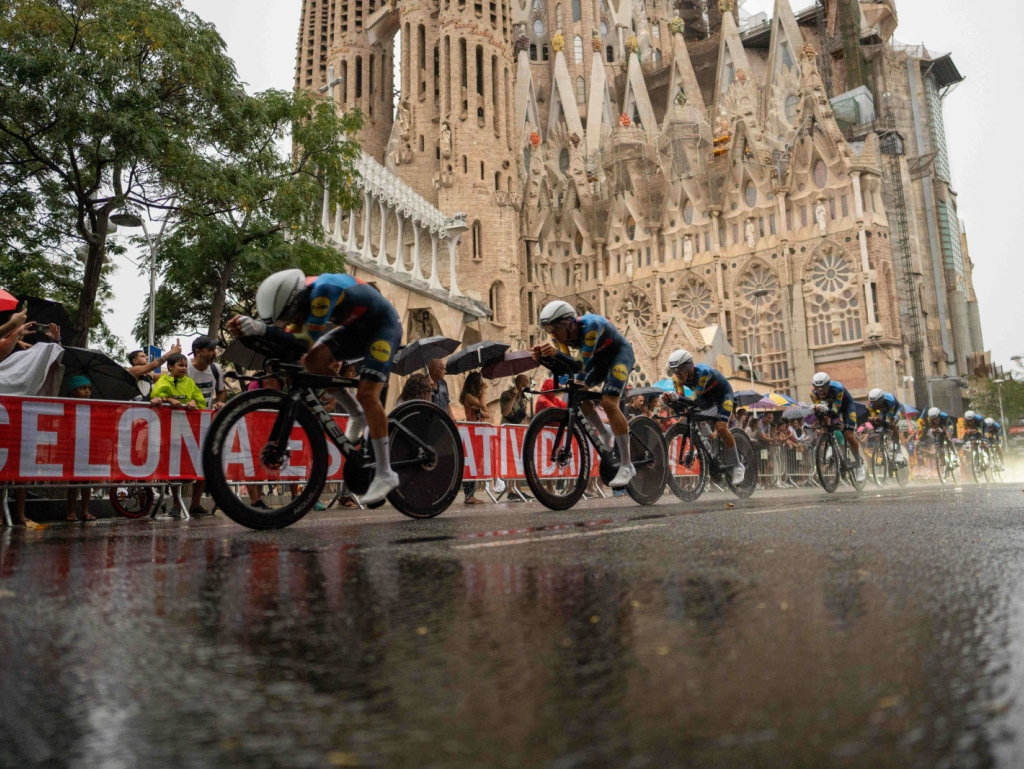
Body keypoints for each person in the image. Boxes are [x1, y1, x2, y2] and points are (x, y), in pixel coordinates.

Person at [228, 270, 403, 505]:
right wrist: (249, 332)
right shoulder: (300, 298)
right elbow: (288, 340)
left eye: (290, 315)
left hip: (383, 327)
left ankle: (386, 473)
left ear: (294, 301)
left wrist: (260, 329)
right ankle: (355, 413)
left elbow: (302, 342)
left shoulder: (323, 292)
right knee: (312, 362)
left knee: (367, 393)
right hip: (355, 330)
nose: (292, 320)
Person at [531, 301, 636, 488]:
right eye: (548, 330)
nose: (552, 334)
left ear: (569, 323)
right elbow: (567, 368)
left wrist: (555, 353)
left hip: (619, 355)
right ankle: (604, 433)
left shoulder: (591, 325)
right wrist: (545, 359)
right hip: (599, 360)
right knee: (576, 391)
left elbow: (578, 364)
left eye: (555, 328)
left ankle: (627, 465)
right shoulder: (559, 337)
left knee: (609, 402)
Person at [665, 349, 746, 486]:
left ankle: (738, 465)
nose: (677, 374)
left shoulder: (703, 372)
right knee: (692, 416)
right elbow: (682, 399)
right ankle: (702, 450)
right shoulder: (676, 378)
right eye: (674, 371)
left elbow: (694, 398)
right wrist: (669, 400)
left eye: (679, 370)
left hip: (723, 396)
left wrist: (678, 397)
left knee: (720, 427)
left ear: (689, 368)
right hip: (706, 399)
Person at [810, 372, 865, 483]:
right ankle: (830, 443)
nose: (820, 390)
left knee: (848, 435)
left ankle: (859, 464)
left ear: (828, 385)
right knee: (825, 423)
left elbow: (835, 412)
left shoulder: (837, 388)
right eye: (817, 387)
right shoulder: (813, 394)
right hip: (830, 406)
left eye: (823, 387)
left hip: (846, 406)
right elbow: (819, 412)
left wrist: (826, 410)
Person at [62, 375, 97, 521]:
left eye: (89, 388)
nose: (87, 392)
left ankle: (85, 511)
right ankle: (71, 512)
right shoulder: (67, 407)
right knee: (73, 481)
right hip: (72, 445)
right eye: (83, 388)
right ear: (73, 392)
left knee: (87, 481)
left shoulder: (94, 407)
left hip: (88, 445)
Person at [499, 374, 532, 502]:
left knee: (518, 460)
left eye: (528, 383)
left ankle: (518, 489)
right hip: (508, 431)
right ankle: (510, 490)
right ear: (518, 383)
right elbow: (505, 412)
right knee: (510, 460)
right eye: (525, 382)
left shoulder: (524, 398)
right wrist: (513, 397)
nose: (527, 385)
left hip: (518, 432)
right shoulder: (506, 395)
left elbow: (522, 417)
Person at [459, 372, 492, 505]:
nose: (482, 384)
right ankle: (469, 495)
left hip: (480, 432)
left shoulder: (475, 398)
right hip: (471, 432)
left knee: (476, 463)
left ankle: (471, 494)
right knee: (471, 464)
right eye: (480, 381)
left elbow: (487, 414)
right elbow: (483, 406)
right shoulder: (468, 396)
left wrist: (480, 408)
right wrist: (483, 393)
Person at [867, 388, 907, 466]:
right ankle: (883, 450)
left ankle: (899, 451)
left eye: (876, 403)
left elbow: (889, 420)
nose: (875, 405)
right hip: (884, 410)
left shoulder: (890, 401)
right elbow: (874, 418)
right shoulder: (871, 405)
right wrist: (874, 421)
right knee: (879, 428)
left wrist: (881, 421)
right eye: (873, 403)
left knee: (892, 425)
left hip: (896, 409)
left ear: (881, 400)